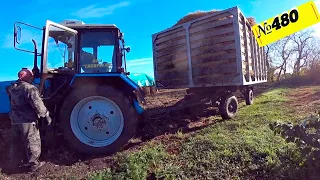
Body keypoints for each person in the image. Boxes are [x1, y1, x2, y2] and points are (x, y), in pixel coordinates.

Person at [5, 68, 52, 172]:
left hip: (15, 119)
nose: (32, 78)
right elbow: (37, 104)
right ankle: (34, 164)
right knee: (31, 140)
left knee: (16, 142)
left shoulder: (11, 88)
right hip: (27, 120)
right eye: (31, 76)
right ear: (27, 77)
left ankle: (13, 163)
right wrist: (46, 115)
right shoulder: (30, 88)